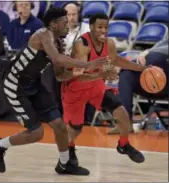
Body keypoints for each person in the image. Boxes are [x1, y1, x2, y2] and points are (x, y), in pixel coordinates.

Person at [0, 8, 107, 176]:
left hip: (34, 84)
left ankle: (65, 164)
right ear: (53, 24)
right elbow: (58, 59)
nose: (67, 25)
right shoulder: (42, 34)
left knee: (59, 125)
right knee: (36, 133)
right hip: (16, 86)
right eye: (64, 23)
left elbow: (59, 75)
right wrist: (87, 65)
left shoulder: (57, 43)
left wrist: (85, 74)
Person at [55, 14, 148, 168]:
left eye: (106, 27)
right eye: (99, 27)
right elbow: (80, 77)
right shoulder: (81, 45)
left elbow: (117, 60)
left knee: (122, 114)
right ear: (91, 27)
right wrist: (102, 74)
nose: (103, 30)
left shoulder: (109, 44)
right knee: (74, 130)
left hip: (95, 86)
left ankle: (123, 145)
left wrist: (142, 69)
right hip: (75, 89)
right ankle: (68, 154)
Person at [110, 36, 169, 134]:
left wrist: (148, 53)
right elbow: (158, 46)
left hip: (165, 82)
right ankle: (125, 122)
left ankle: (128, 64)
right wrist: (147, 51)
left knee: (153, 57)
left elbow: (157, 53)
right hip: (151, 81)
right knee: (126, 73)